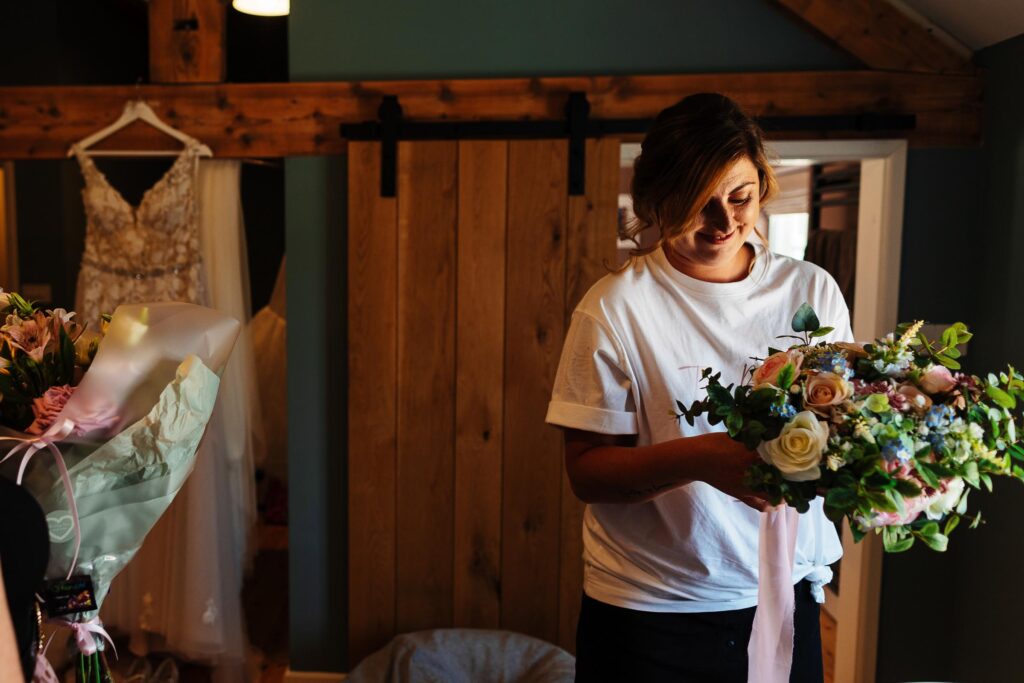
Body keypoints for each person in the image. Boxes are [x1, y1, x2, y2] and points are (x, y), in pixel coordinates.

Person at [546, 93, 849, 682]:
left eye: (741, 197)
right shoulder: (615, 308)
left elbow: (841, 418)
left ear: (763, 183)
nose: (724, 222)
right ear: (657, 201)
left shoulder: (810, 291)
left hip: (784, 588)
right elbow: (586, 473)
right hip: (652, 604)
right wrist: (700, 459)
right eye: (697, 204)